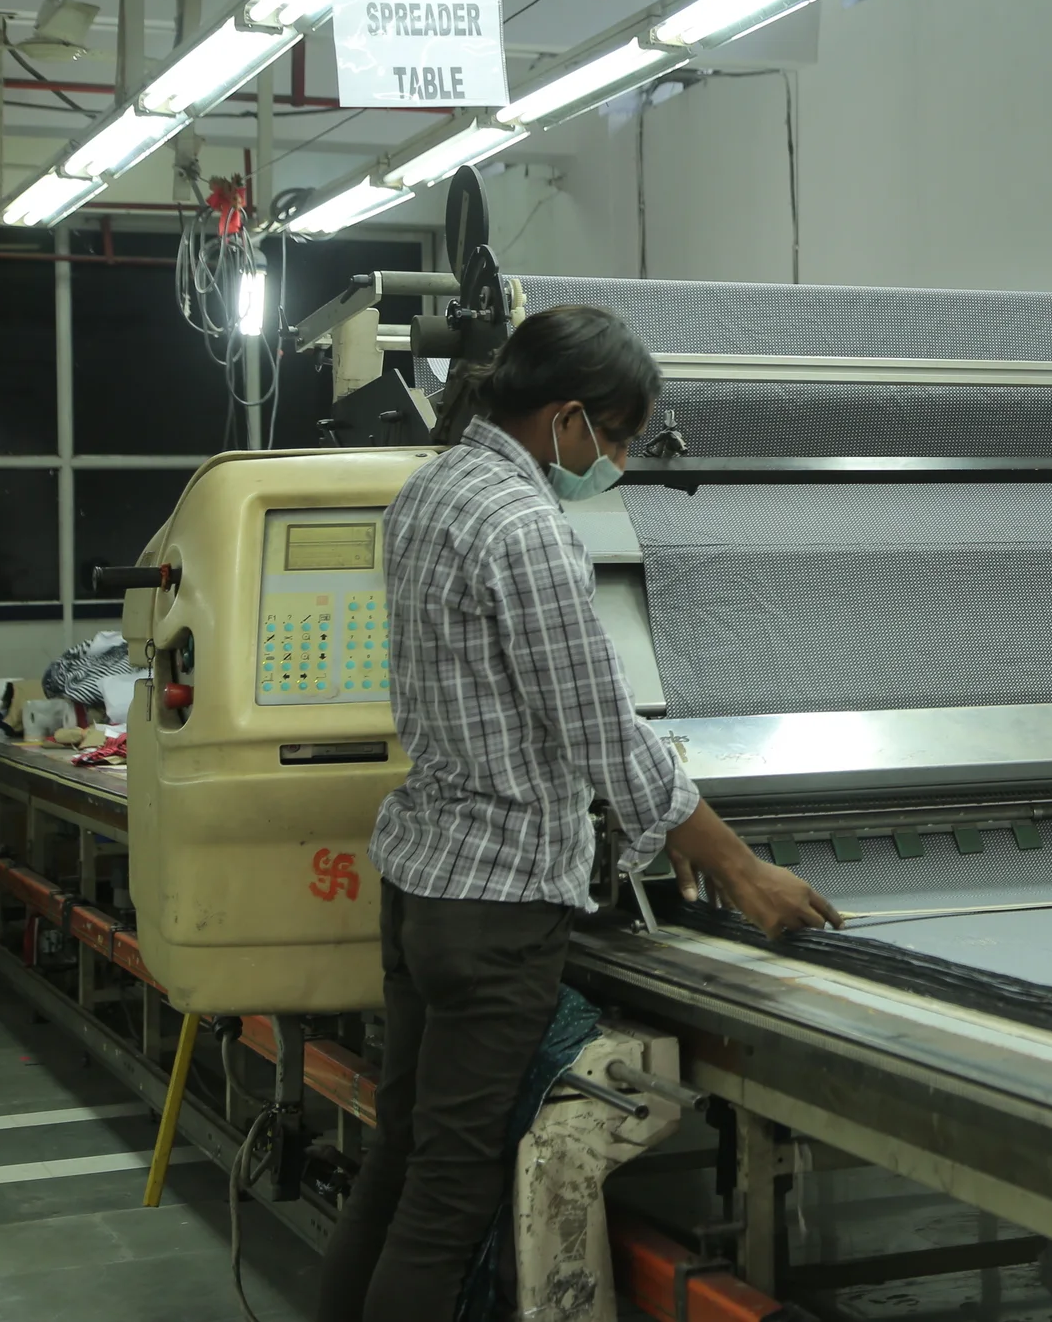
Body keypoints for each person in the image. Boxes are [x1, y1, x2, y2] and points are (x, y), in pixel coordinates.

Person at [319, 304, 841, 1322]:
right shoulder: (525, 529)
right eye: (612, 437)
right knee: (449, 1196)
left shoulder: (427, 491)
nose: (613, 459)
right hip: (496, 907)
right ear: (564, 416)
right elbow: (602, 729)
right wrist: (741, 867)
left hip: (422, 880)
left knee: (401, 1158)